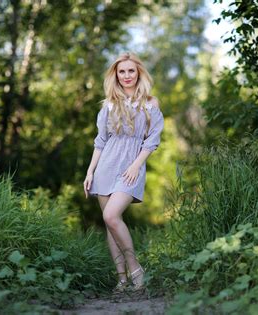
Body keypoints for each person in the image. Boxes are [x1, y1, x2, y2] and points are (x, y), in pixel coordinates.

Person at [83, 52, 164, 294]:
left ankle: (135, 268)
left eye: (131, 70)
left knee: (111, 215)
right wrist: (90, 172)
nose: (126, 75)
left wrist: (136, 165)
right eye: (122, 71)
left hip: (131, 167)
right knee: (111, 223)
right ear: (115, 76)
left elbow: (152, 141)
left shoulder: (151, 103)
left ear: (138, 72)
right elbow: (100, 141)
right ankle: (121, 279)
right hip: (106, 166)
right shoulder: (108, 104)